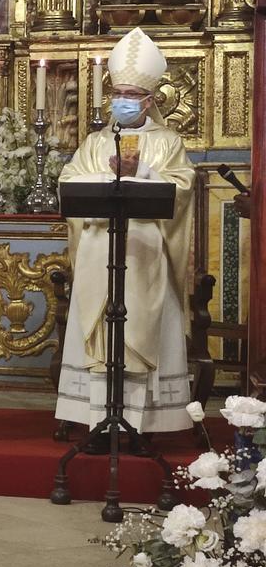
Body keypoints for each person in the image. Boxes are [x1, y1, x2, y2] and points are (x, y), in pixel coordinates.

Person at [55, 27, 195, 438]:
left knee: (139, 328)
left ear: (150, 101)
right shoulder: (96, 142)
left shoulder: (167, 142)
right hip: (100, 252)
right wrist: (107, 175)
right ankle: (98, 423)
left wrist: (143, 173)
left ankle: (141, 425)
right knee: (100, 330)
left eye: (133, 96)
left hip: (146, 255)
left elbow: (182, 188)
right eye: (120, 95)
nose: (124, 102)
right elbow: (70, 182)